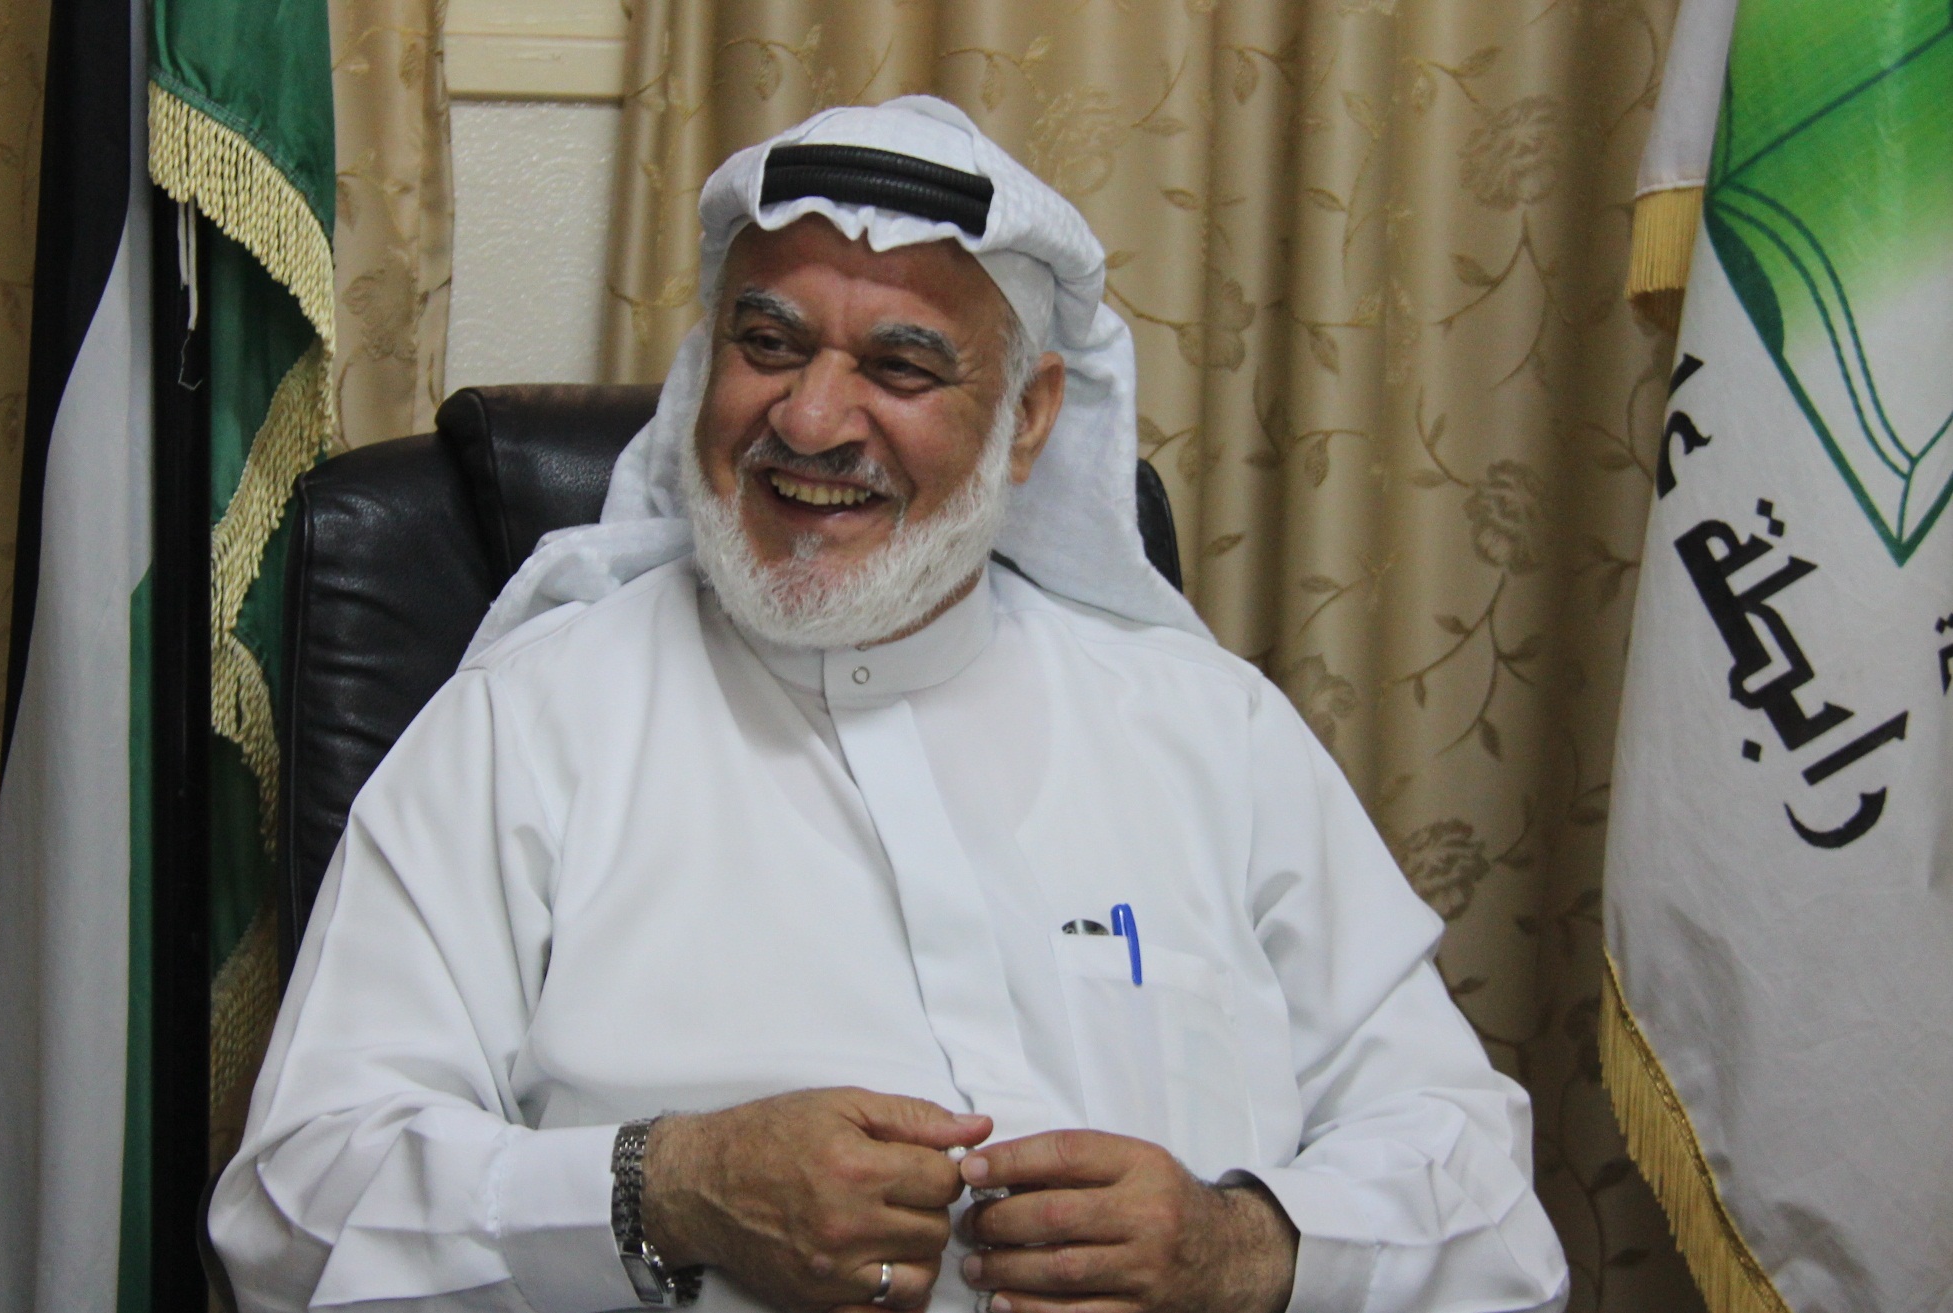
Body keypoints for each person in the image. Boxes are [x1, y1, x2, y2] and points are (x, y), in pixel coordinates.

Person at [210, 97, 1568, 1313]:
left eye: (901, 368)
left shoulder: (1210, 731)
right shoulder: (529, 722)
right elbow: (293, 1210)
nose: (810, 420)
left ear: (1028, 419)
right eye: (768, 342)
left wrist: (1239, 1247)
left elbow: (1489, 1211)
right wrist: (666, 1189)